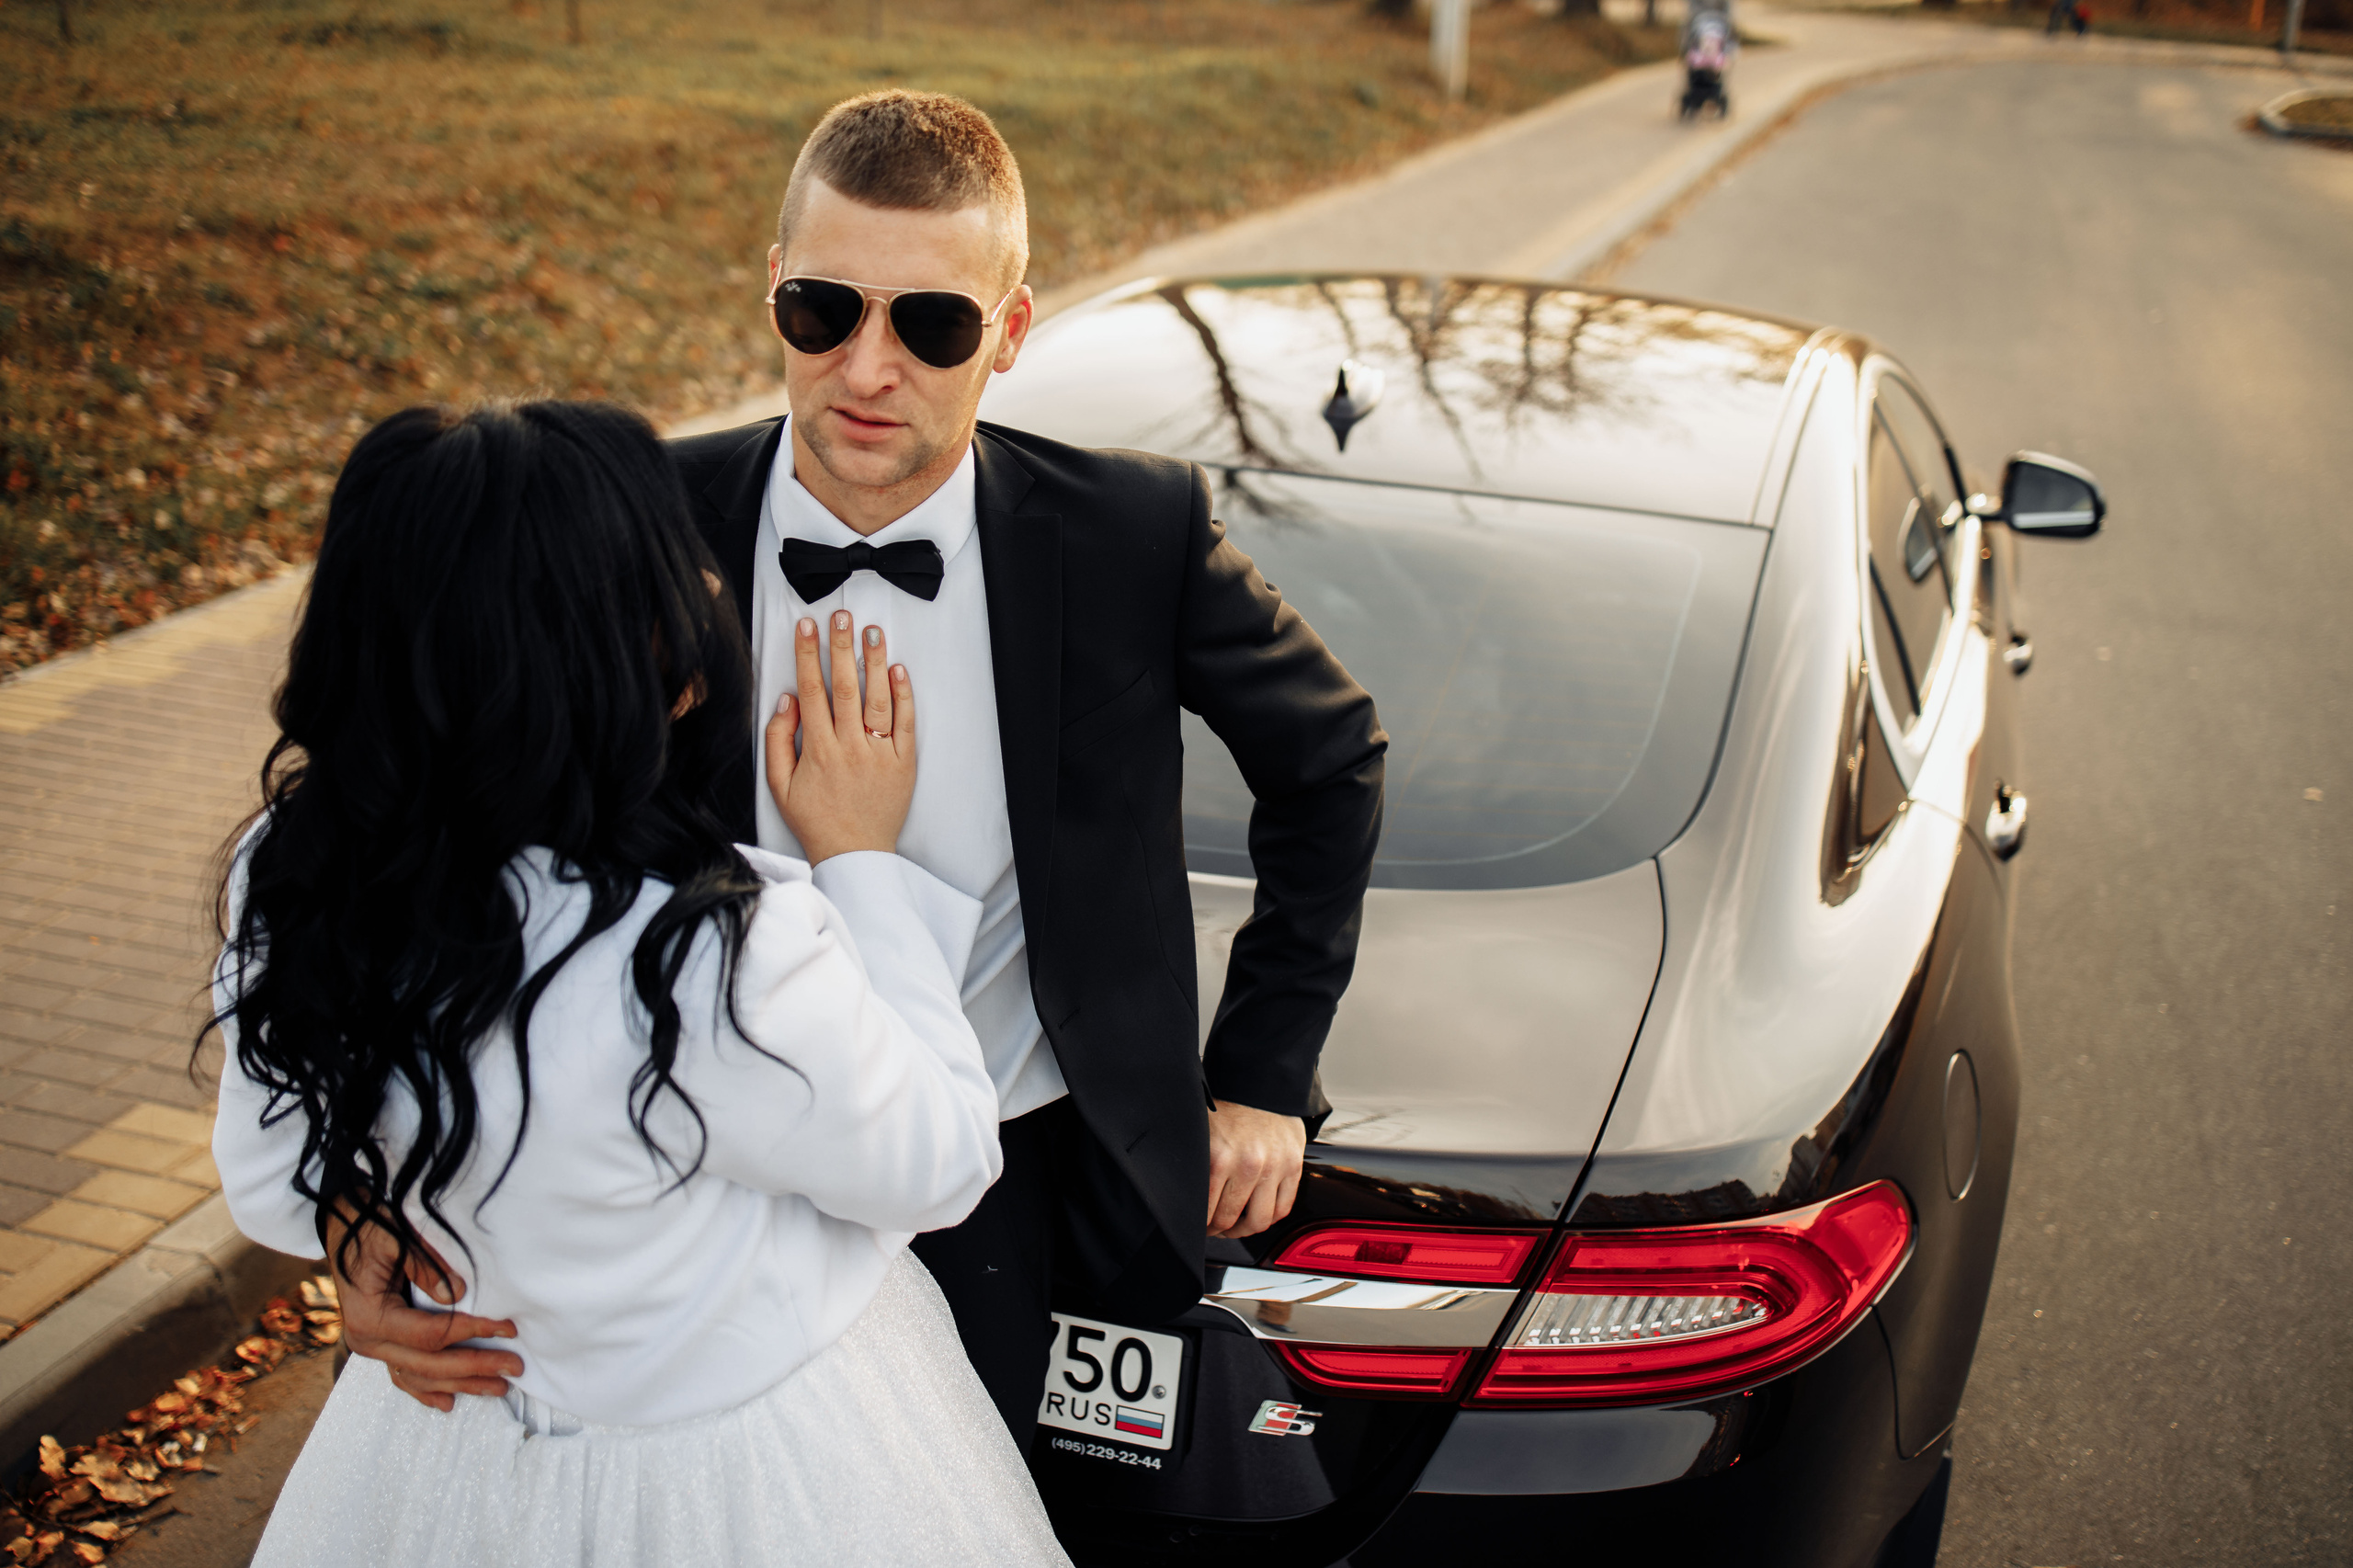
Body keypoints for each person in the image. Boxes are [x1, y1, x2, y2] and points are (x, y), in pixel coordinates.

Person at [329, 88, 1389, 1449]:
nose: (868, 368)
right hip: (684, 1174)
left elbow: (1331, 757)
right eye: (825, 309)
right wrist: (367, 1194)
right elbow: (443, 830)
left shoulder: (1135, 534)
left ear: (1007, 334)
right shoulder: (635, 515)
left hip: (999, 1178)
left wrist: (1259, 1070)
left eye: (931, 324)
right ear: (773, 289)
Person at [209, 401, 1071, 1563]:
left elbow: (270, 1180)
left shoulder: (295, 869)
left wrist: (365, 1230)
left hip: (450, 1458)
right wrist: (864, 861)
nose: (709, 594)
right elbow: (939, 1160)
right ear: (617, 654)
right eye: (674, 572)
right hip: (755, 1482)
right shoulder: (704, 950)